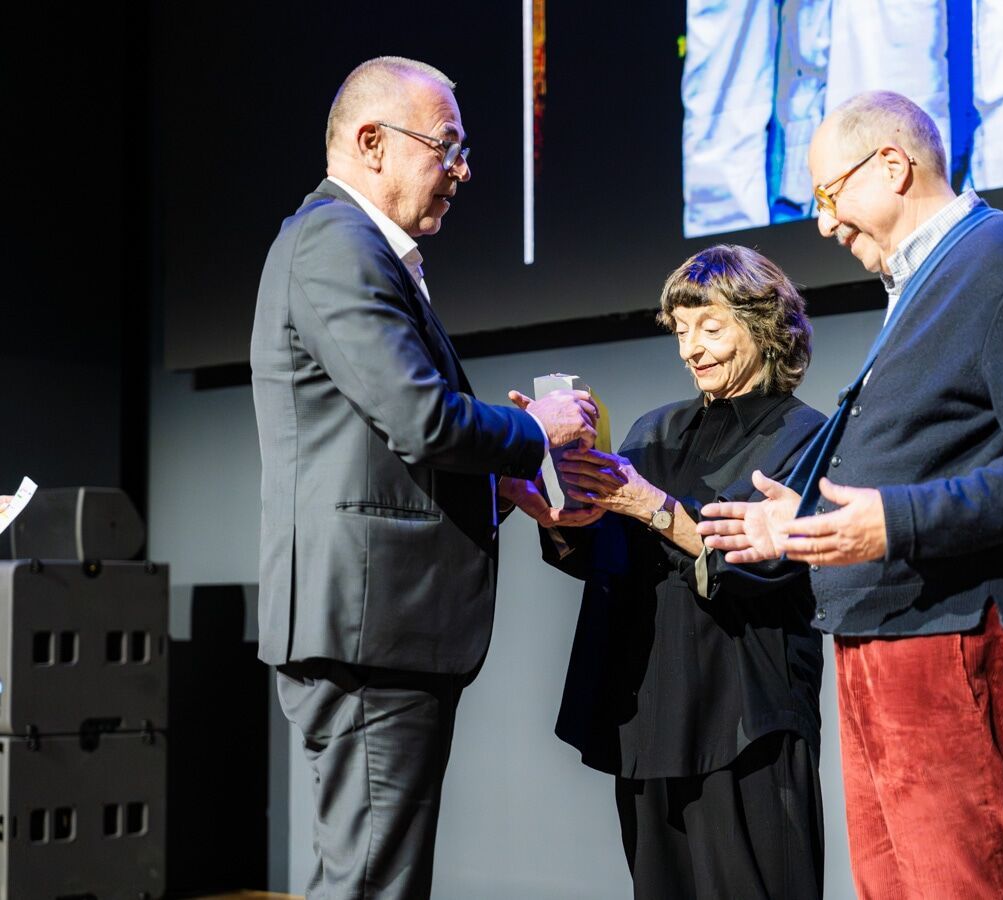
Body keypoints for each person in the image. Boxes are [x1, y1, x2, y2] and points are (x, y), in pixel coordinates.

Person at [698, 91, 1003, 898]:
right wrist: (806, 523)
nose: (823, 224)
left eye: (828, 195)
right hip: (886, 633)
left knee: (966, 883)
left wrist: (896, 524)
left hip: (953, 634)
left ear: (893, 164)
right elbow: (922, 455)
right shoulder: (927, 281)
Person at [250, 56, 597, 899]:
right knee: (374, 883)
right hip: (371, 627)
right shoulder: (337, 243)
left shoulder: (346, 246)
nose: (463, 170)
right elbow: (422, 418)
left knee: (375, 877)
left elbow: (392, 447)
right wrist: (535, 435)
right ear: (372, 142)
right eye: (448, 146)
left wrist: (501, 488)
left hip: (378, 624)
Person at [542, 245, 828, 899]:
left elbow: (767, 568)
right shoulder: (653, 430)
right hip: (646, 717)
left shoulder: (804, 436)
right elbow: (604, 558)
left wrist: (652, 505)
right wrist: (560, 495)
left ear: (761, 324)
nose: (689, 349)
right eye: (679, 330)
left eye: (709, 326)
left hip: (745, 722)